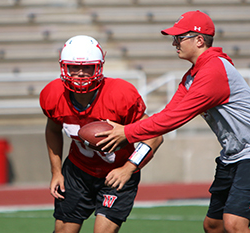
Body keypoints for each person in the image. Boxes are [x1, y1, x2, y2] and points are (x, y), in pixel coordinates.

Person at [96, 10, 250, 233]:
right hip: (234, 155)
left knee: (235, 224)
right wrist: (131, 133)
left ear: (199, 40)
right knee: (213, 226)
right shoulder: (192, 76)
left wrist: (127, 133)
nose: (174, 43)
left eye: (179, 37)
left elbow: (174, 118)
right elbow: (167, 114)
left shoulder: (214, 70)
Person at [39, 35, 163, 233]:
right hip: (78, 170)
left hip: (117, 172)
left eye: (87, 67)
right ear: (64, 67)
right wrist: (56, 172)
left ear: (99, 67)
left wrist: (128, 168)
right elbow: (53, 129)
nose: (80, 73)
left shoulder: (120, 94)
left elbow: (154, 135)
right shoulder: (53, 94)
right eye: (74, 67)